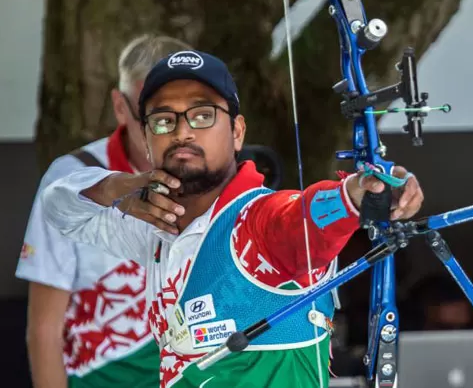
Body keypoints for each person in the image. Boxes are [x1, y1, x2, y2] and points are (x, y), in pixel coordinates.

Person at [39, 49, 425, 388]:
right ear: (146, 137)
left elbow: (304, 216)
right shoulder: (156, 225)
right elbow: (58, 207)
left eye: (203, 115)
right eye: (163, 120)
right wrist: (116, 190)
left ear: (237, 131)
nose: (182, 131)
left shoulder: (258, 224)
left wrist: (364, 190)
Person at [15, 34, 192, 388]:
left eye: (176, 115)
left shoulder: (213, 174)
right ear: (119, 106)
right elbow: (44, 331)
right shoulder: (72, 177)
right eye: (150, 115)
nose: (163, 130)